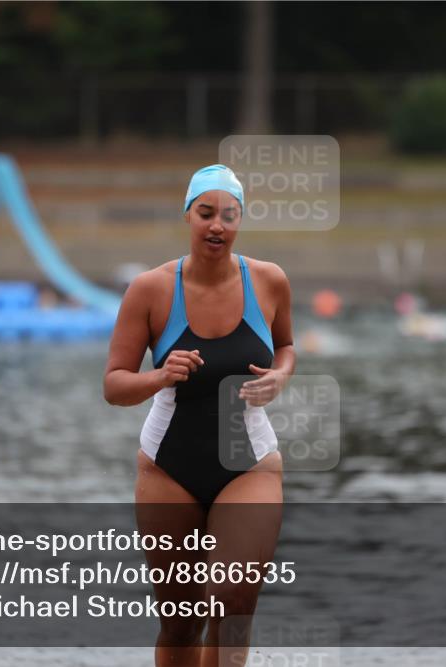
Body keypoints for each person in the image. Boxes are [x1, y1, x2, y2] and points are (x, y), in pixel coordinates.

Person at [103, 164, 295, 666]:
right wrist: (159, 376)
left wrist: (282, 375)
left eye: (229, 216)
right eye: (206, 213)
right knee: (182, 621)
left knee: (233, 607)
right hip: (168, 467)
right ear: (187, 215)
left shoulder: (270, 281)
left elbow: (288, 345)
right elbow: (114, 386)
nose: (217, 225)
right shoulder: (150, 289)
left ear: (239, 222)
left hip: (249, 462)